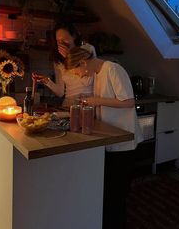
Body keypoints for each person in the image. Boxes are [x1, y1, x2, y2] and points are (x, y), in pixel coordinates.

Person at [65, 47, 143, 229]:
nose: (78, 75)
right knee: (109, 192)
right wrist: (91, 98)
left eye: (76, 71)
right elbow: (107, 99)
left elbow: (129, 101)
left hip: (124, 139)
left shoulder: (113, 69)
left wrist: (96, 101)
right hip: (111, 137)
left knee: (117, 194)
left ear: (83, 62)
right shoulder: (98, 73)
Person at [32, 22, 96, 106]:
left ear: (74, 36)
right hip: (69, 105)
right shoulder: (58, 59)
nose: (61, 44)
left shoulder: (87, 49)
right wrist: (47, 81)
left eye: (64, 39)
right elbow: (60, 92)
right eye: (58, 41)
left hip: (87, 103)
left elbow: (91, 76)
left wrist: (69, 56)